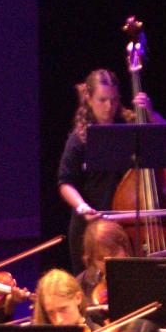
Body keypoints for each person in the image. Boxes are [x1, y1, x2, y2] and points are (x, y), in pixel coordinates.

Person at [56, 68, 150, 268]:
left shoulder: (129, 126)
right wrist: (82, 207)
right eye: (102, 100)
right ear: (89, 98)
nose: (109, 106)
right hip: (91, 227)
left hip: (126, 225)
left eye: (114, 100)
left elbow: (165, 143)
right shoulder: (79, 138)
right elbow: (65, 182)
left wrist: (151, 113)